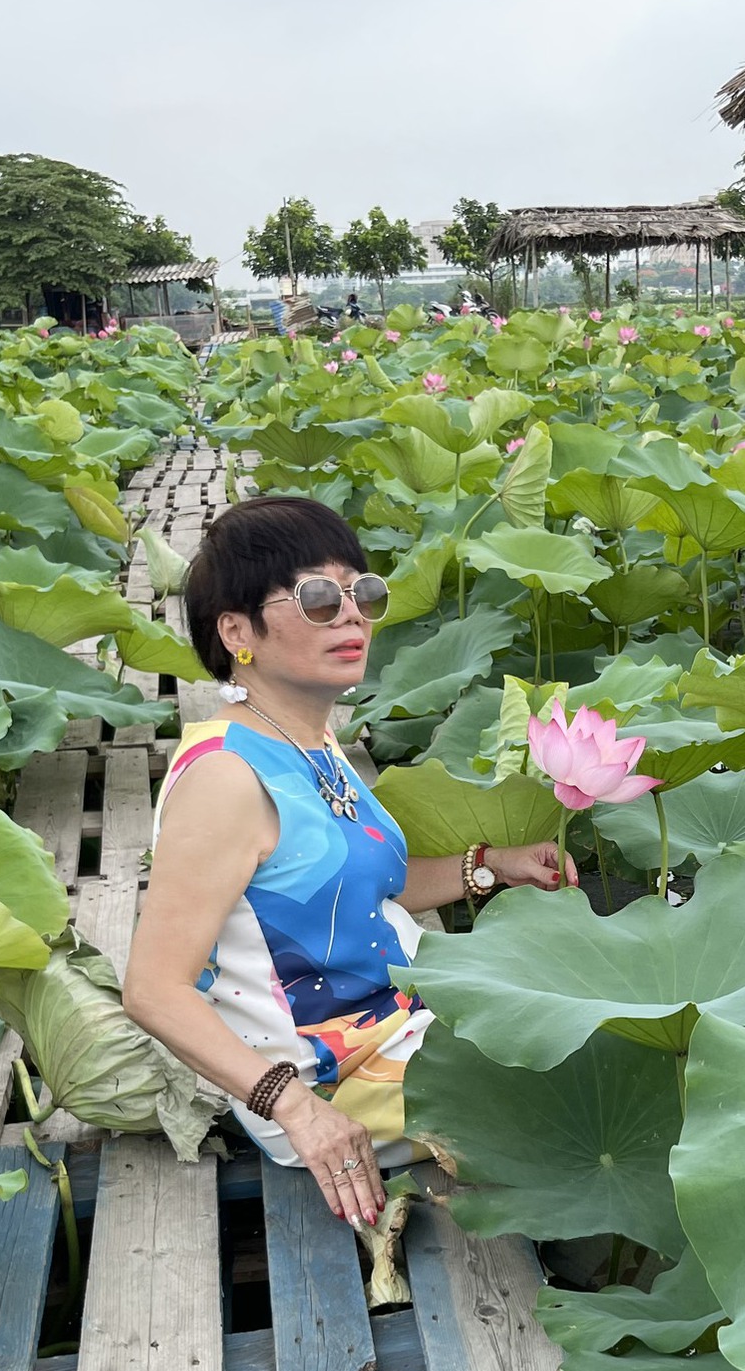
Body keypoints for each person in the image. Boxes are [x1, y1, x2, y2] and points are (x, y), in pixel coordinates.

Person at [124, 496, 577, 1225]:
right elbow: (152, 988)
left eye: (362, 591)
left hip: (410, 1018)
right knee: (585, 1063)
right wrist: (297, 1111)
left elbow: (373, 895)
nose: (352, 614)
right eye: (317, 597)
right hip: (333, 1079)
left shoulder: (311, 742)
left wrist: (491, 864)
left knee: (589, 1009)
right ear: (237, 630)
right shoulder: (226, 777)